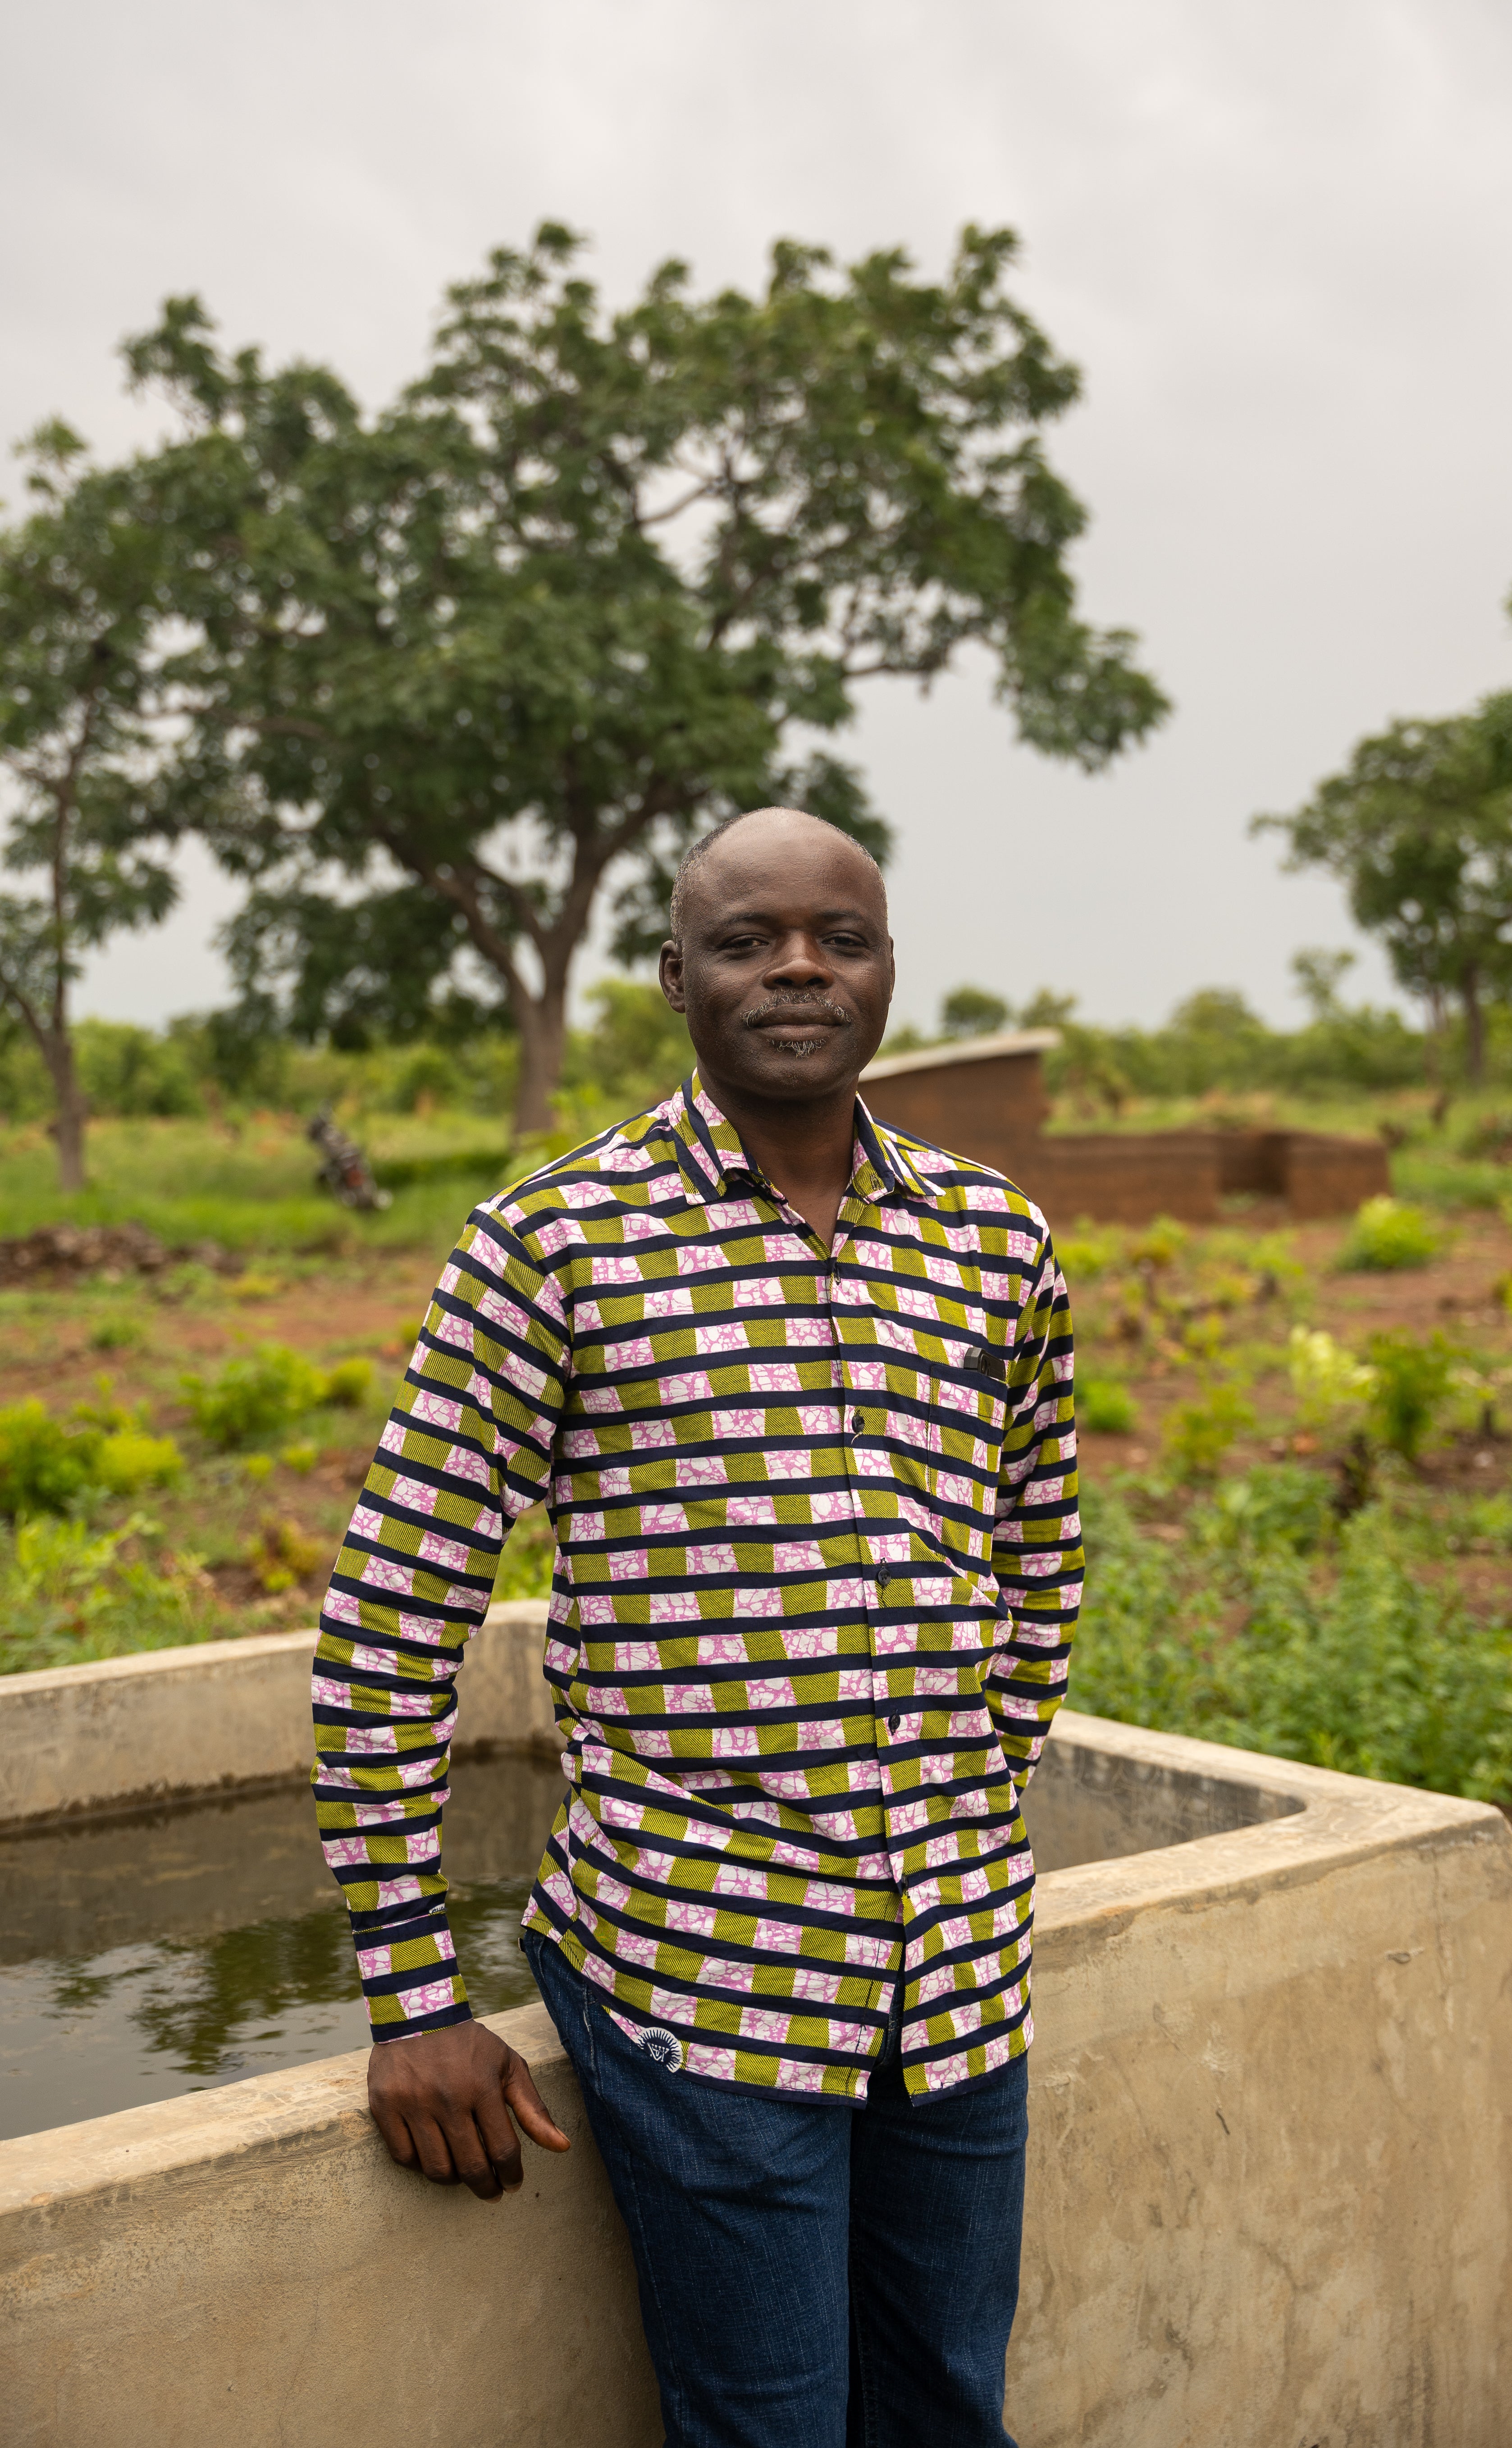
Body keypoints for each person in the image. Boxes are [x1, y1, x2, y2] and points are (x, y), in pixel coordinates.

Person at [311, 807, 1083, 2448]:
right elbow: (396, 1615)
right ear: (676, 974)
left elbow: (1035, 1561)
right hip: (701, 1981)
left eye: (840, 938)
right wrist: (411, 1994)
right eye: (747, 939)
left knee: (952, 2403)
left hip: (958, 1977)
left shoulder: (993, 1242)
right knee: (771, 2426)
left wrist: (960, 1804)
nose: (798, 966)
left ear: (887, 971)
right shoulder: (554, 1243)